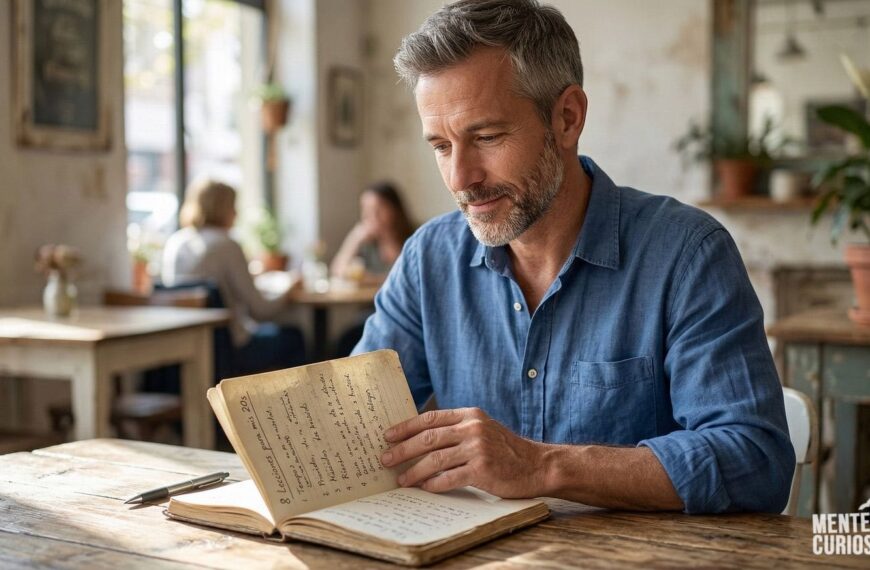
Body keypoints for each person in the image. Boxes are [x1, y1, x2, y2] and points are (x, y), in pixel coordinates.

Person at [355, 0, 795, 513]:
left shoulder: (687, 255)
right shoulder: (428, 259)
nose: (460, 179)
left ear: (567, 118)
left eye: (487, 136)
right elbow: (356, 425)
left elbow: (756, 461)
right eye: (441, 146)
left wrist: (541, 466)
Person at [162, 179, 306, 375]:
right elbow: (261, 310)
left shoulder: (176, 243)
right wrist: (290, 288)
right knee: (294, 336)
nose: (236, 213)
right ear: (223, 208)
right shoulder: (227, 245)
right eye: (233, 206)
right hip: (232, 350)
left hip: (189, 351)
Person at [330, 182, 414, 285]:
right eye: (366, 209)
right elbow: (337, 271)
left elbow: (411, 279)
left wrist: (373, 280)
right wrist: (354, 240)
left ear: (395, 209)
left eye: (379, 208)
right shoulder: (366, 242)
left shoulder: (415, 237)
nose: (372, 215)